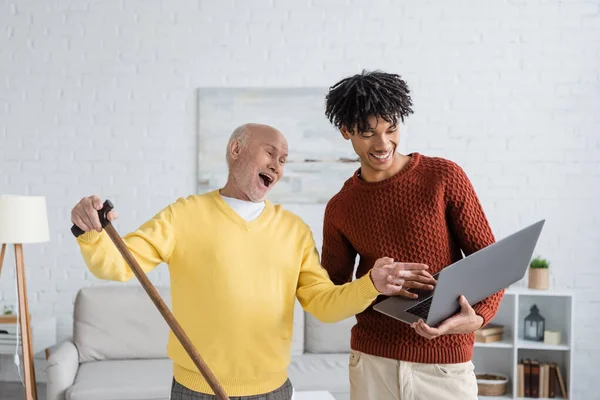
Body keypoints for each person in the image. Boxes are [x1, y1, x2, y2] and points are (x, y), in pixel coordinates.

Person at [71, 123, 434, 400]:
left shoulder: (293, 230)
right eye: (270, 153)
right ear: (235, 150)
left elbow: (324, 304)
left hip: (272, 391)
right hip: (196, 388)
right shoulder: (183, 216)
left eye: (283, 160)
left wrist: (371, 283)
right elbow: (116, 265)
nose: (277, 165)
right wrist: (90, 231)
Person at [321, 71, 505, 400]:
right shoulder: (340, 207)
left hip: (445, 365)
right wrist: (372, 284)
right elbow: (331, 297)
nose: (383, 144)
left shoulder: (443, 178)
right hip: (372, 365)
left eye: (391, 129)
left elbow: (491, 263)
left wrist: (476, 318)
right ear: (346, 131)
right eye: (368, 134)